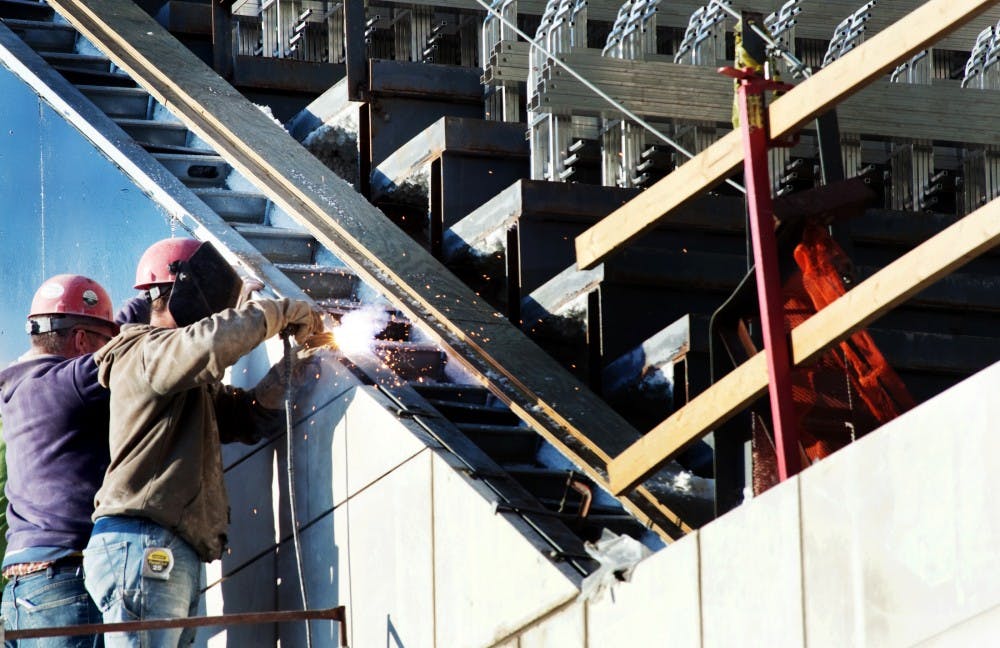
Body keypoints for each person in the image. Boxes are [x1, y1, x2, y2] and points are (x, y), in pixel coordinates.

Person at [83, 237, 325, 647]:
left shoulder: (180, 379)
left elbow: (244, 416)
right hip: (144, 542)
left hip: (163, 547)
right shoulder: (145, 352)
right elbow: (210, 342)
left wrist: (295, 367)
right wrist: (279, 313)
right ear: (179, 288)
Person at [0, 274, 121, 647]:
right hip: (65, 580)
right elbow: (137, 345)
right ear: (82, 340)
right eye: (104, 339)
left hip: (20, 592)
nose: (109, 347)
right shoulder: (75, 381)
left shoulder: (16, 387)